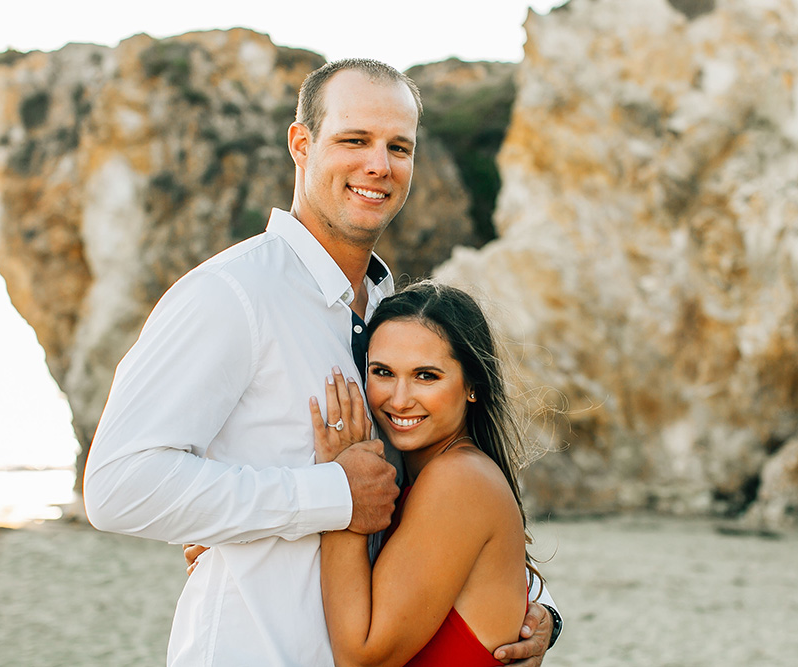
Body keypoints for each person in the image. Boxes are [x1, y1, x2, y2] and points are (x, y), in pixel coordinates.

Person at [84, 58, 559, 666]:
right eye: (354, 140)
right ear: (301, 144)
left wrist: (535, 607)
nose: (378, 166)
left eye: (399, 147)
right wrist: (328, 494)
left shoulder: (395, 317)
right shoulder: (233, 295)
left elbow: (440, 495)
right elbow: (117, 485)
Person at [316, 280, 545, 666]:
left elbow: (361, 659)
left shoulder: (460, 480)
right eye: (383, 372)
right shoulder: (432, 478)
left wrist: (344, 490)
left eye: (426, 376)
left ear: (472, 386)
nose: (400, 399)